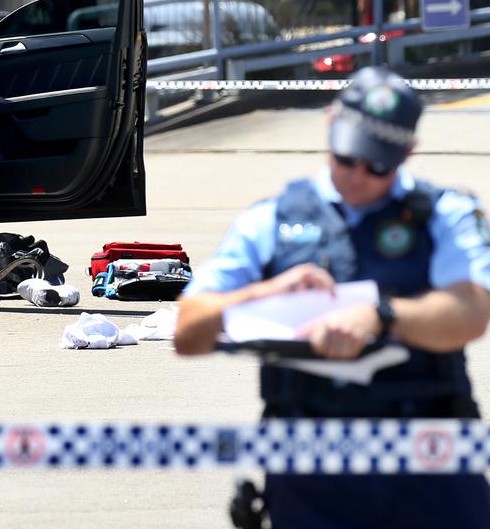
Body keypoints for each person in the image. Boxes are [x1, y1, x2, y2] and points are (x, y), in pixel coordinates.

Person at [174, 66, 490, 529]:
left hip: (432, 462)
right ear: (329, 124)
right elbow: (188, 332)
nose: (359, 174)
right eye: (348, 156)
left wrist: (380, 316)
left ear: (408, 153)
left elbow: (470, 313)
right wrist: (263, 292)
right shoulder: (271, 221)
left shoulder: (444, 214)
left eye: (378, 163)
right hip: (313, 476)